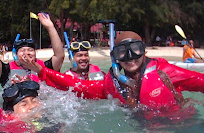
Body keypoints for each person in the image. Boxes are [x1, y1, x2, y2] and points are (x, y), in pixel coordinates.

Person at [22, 31, 204, 116]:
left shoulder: (165, 73)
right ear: (115, 57)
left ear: (144, 51)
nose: (130, 57)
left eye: (135, 50)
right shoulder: (112, 83)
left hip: (180, 125)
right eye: (123, 52)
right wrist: (42, 71)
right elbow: (79, 87)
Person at [0, 10, 64, 87]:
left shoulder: (45, 67)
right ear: (16, 54)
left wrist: (51, 27)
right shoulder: (6, 71)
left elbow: (59, 56)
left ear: (35, 54)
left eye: (30, 50)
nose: (27, 53)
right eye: (22, 50)